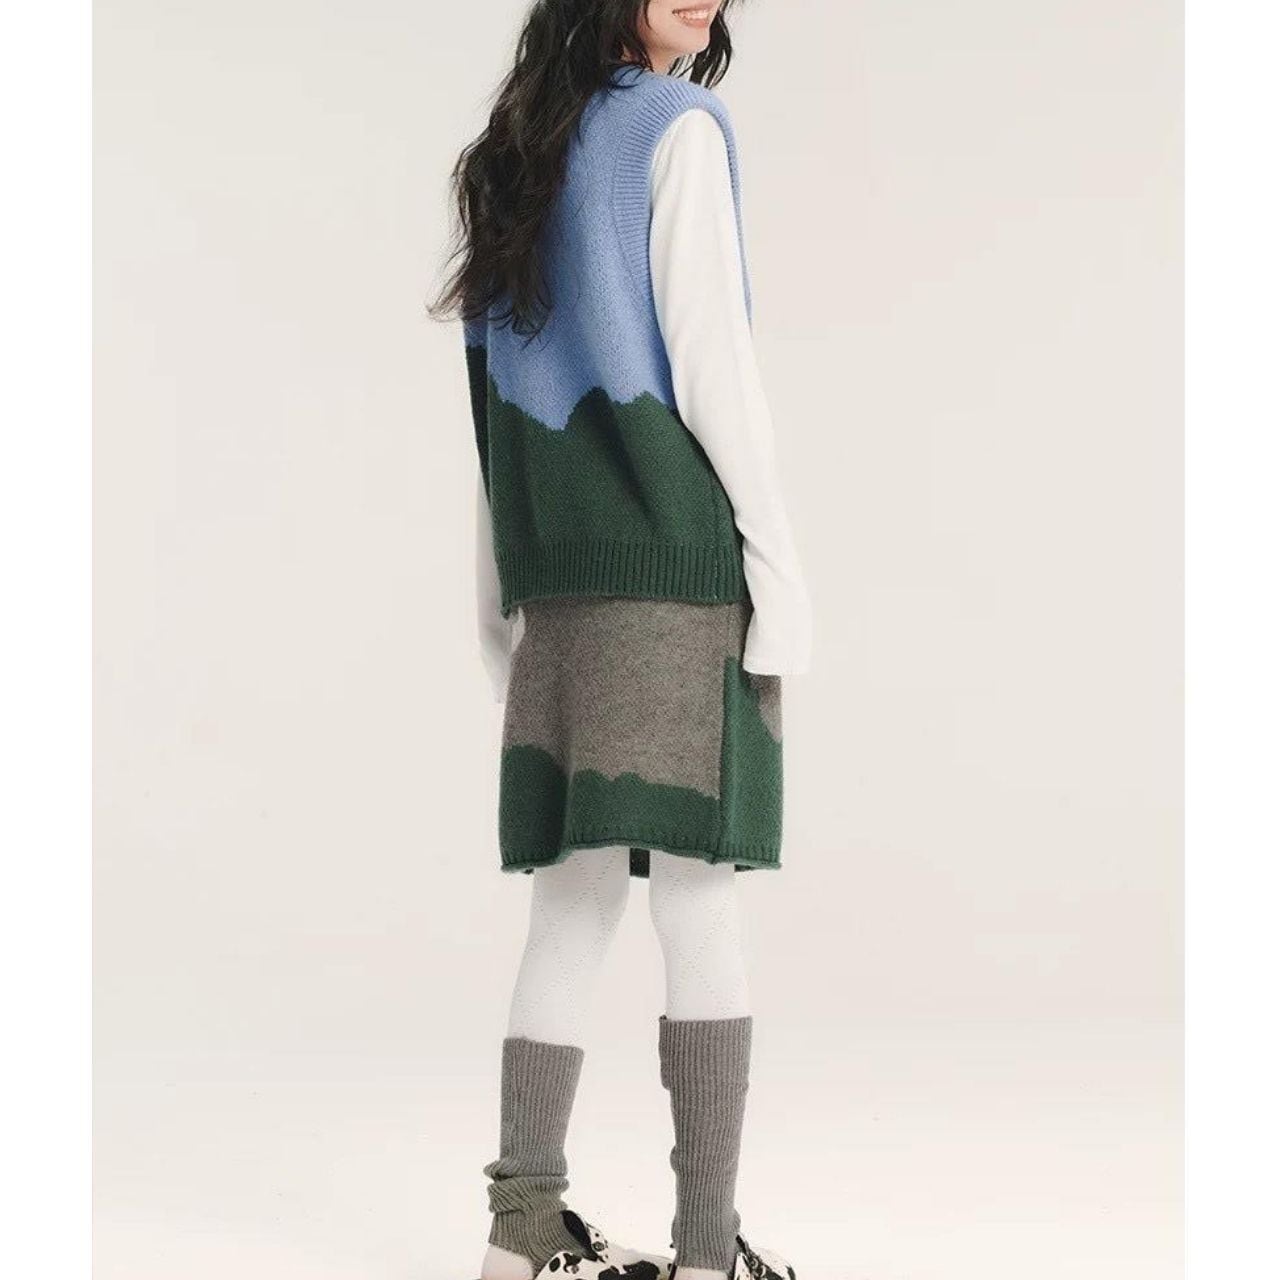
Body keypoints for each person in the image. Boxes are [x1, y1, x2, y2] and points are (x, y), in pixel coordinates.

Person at [433, 4, 810, 1278]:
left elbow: (494, 402)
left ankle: (518, 1229)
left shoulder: (510, 155)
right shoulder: (677, 130)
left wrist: (501, 590)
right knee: (699, 901)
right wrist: (778, 566)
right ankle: (705, 1252)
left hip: (562, 583)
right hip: (672, 570)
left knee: (570, 905)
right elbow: (715, 370)